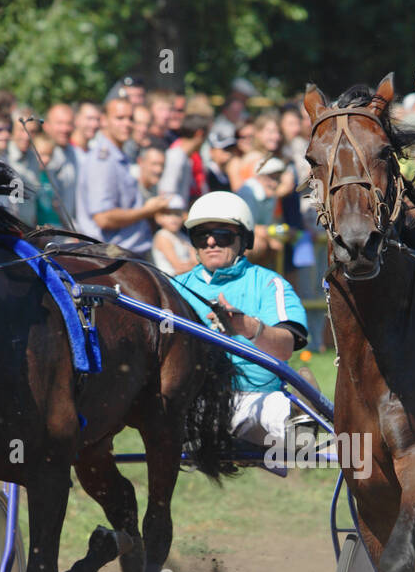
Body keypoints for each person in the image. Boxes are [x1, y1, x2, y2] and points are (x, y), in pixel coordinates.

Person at [171, 191, 308, 446]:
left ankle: (295, 423)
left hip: (259, 397)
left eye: (222, 235)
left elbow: (285, 348)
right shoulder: (173, 288)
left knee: (275, 412)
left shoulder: (270, 283)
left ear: (244, 239)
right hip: (195, 398)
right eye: (201, 235)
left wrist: (247, 326)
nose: (211, 242)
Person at [75, 96, 167, 252]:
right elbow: (103, 218)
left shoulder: (118, 154)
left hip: (127, 252)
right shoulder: (102, 160)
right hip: (111, 256)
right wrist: (147, 211)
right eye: (119, 118)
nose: (127, 124)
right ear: (104, 120)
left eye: (130, 118)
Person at [151, 195, 194, 276]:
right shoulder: (162, 236)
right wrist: (194, 265)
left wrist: (194, 264)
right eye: (168, 214)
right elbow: (179, 268)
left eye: (177, 214)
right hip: (169, 282)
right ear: (158, 217)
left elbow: (195, 259)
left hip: (185, 278)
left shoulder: (183, 236)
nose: (174, 218)